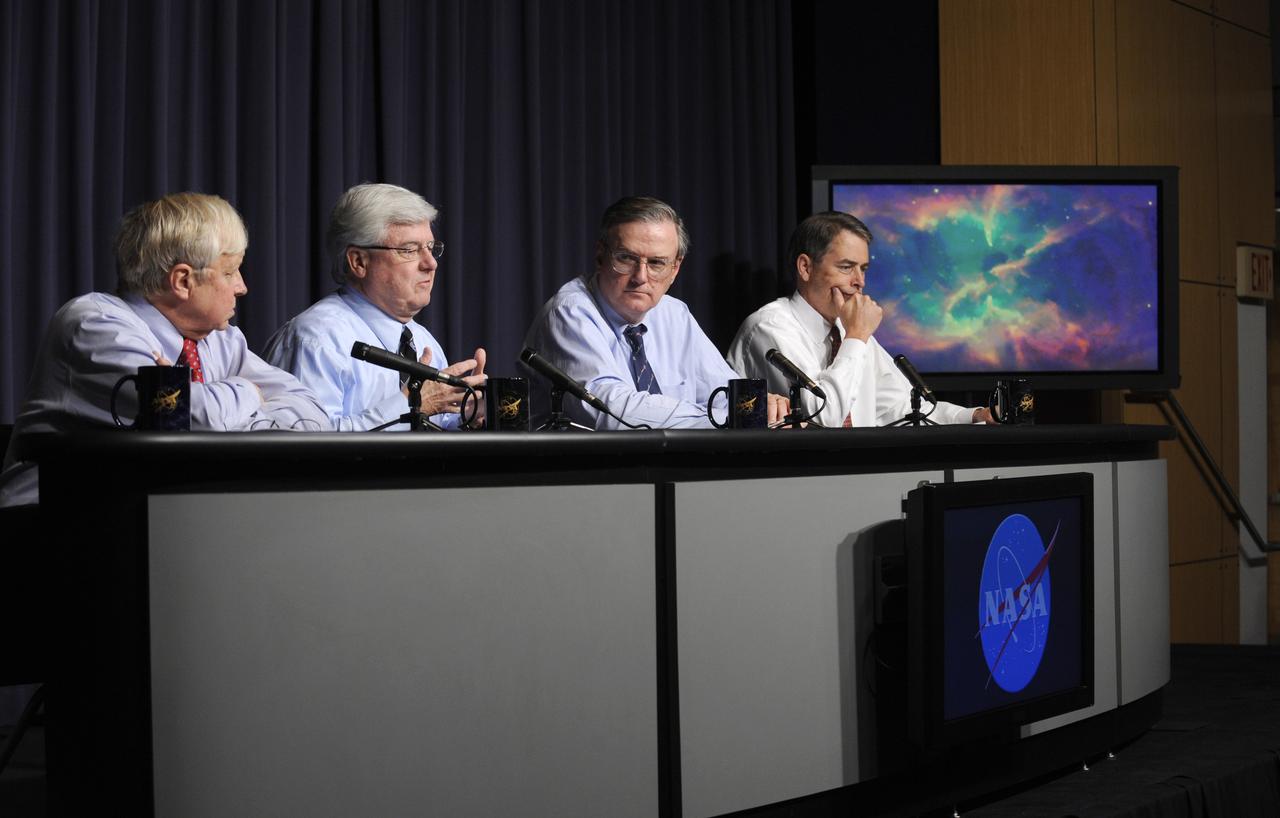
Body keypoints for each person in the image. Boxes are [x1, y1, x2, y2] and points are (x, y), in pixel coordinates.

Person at [0, 192, 328, 507]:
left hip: (152, 517)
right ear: (183, 281)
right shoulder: (94, 326)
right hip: (49, 522)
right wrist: (249, 392)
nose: (242, 287)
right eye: (229, 272)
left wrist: (226, 417)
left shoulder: (221, 339)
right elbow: (188, 420)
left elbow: (312, 412)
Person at [521, 196, 787, 429]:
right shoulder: (569, 312)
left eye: (657, 263)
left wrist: (759, 406)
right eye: (626, 258)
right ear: (600, 256)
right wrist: (729, 417)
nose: (641, 277)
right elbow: (611, 414)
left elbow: (726, 394)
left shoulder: (674, 314)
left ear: (675, 269)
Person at [727, 211, 992, 427]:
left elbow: (904, 408)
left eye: (863, 269)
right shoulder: (769, 327)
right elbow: (825, 417)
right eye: (846, 267)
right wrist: (855, 338)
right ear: (805, 268)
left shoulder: (848, 330)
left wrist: (974, 415)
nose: (859, 282)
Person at [263, 183, 486, 431]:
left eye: (431, 249)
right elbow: (304, 446)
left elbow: (436, 432)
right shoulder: (316, 340)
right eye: (410, 250)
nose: (430, 263)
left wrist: (469, 418)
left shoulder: (424, 342)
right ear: (359, 261)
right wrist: (413, 405)